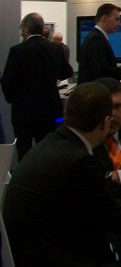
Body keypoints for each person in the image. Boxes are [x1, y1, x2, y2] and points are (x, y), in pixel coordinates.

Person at [2, 82, 121, 267]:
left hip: (32, 253)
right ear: (105, 122)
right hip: (55, 260)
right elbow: (115, 219)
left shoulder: (54, 144)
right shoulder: (79, 161)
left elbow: (98, 205)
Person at [1, 13, 72, 160]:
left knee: (24, 152)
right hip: (50, 110)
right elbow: (67, 72)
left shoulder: (17, 51)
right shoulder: (56, 48)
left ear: (26, 28)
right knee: (49, 152)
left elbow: (8, 82)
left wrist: (14, 99)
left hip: (23, 111)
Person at [78, 2, 121, 82]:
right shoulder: (95, 39)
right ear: (104, 18)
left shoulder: (97, 37)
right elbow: (102, 72)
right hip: (95, 88)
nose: (119, 24)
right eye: (116, 19)